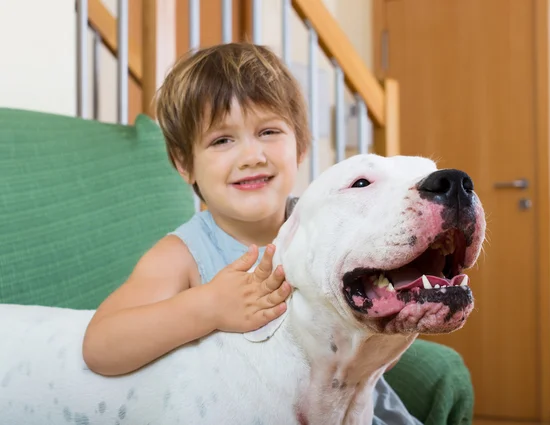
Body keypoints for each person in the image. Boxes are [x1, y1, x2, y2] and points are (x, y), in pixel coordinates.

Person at [82, 42, 422, 425]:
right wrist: (209, 307)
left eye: (269, 131)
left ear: (301, 145)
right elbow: (101, 346)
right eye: (222, 140)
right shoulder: (182, 255)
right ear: (184, 163)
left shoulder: (329, 227)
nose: (251, 156)